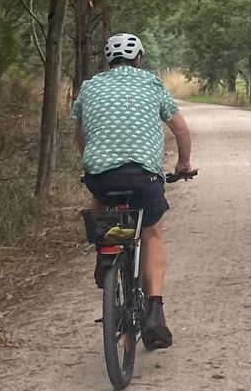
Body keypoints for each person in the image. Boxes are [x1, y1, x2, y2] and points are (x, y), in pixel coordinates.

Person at [72, 33, 195, 350]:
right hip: (143, 176)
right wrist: (183, 164)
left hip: (102, 175)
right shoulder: (152, 85)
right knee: (152, 231)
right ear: (139, 59)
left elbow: (81, 136)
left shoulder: (89, 87)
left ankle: (105, 250)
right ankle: (155, 310)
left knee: (100, 199)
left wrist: (92, 165)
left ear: (108, 61)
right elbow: (180, 129)